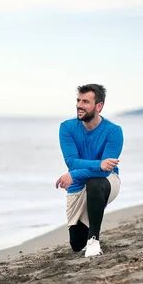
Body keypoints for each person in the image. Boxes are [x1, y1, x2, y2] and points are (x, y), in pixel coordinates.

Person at [56, 84, 124, 257]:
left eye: (85, 101)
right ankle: (87, 238)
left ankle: (94, 240)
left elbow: (104, 172)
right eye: (78, 100)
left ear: (98, 106)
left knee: (95, 183)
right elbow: (72, 162)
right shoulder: (67, 128)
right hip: (78, 184)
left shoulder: (114, 131)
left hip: (108, 180)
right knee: (77, 244)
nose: (79, 105)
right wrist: (96, 165)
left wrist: (74, 174)